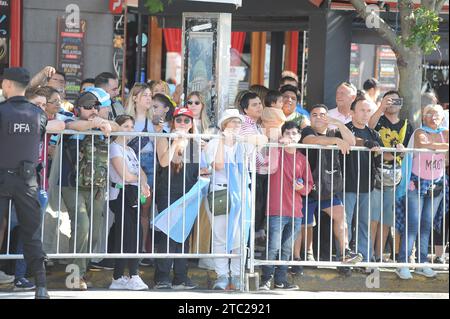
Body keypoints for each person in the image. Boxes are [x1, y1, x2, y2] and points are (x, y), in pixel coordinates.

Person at [61, 91, 120, 290]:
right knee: (82, 227)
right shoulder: (68, 117)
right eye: (87, 106)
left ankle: (81, 271)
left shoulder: (104, 123)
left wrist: (104, 123)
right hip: (71, 183)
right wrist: (96, 123)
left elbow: (119, 127)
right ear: (78, 108)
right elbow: (70, 126)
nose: (92, 110)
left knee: (93, 232)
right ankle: (73, 277)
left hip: (96, 185)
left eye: (95, 106)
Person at [0, 67, 49, 299]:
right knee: (31, 234)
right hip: (28, 180)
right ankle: (41, 286)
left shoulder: (1, 111)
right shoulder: (39, 114)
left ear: (8, 85)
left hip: (1, 177)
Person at [296, 104, 362, 267]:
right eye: (315, 114)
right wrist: (336, 141)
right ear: (310, 118)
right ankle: (306, 254)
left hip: (328, 186)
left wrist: (338, 124)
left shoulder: (334, 132)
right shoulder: (307, 131)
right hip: (307, 186)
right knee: (306, 223)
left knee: (340, 215)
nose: (318, 117)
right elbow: (312, 140)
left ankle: (345, 251)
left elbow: (351, 141)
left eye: (322, 114)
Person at [259, 121, 313, 291]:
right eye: (287, 133)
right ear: (282, 136)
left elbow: (309, 185)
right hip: (276, 209)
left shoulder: (302, 159)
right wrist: (276, 144)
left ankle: (280, 281)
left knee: (286, 248)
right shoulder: (276, 152)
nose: (291, 136)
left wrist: (302, 188)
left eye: (294, 133)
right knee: (273, 246)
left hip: (296, 211)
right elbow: (264, 164)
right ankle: (265, 280)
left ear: (300, 137)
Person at [396, 104, 448, 280]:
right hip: (416, 184)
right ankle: (403, 263)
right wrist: (441, 146)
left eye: (437, 114)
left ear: (442, 118)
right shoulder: (419, 131)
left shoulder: (445, 132)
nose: (434, 117)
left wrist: (438, 146)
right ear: (424, 117)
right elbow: (424, 143)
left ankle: (421, 262)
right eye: (430, 114)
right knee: (412, 225)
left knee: (426, 225)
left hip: (437, 184)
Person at [153, 107, 201, 289]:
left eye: (186, 120)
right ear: (173, 122)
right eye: (179, 120)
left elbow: (194, 170)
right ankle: (162, 276)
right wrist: (176, 142)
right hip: (168, 192)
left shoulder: (194, 143)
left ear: (191, 124)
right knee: (167, 235)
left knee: (183, 235)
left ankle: (181, 276)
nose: (182, 123)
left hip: (188, 193)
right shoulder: (164, 138)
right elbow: (165, 162)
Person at [368, 90, 413, 262]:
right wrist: (380, 108)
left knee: (386, 218)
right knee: (373, 217)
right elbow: (369, 128)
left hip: (396, 177)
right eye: (389, 100)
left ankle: (379, 255)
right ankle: (368, 253)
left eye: (396, 100)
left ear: (401, 103)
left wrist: (392, 155)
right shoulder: (378, 119)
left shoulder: (407, 125)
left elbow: (404, 152)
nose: (392, 103)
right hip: (375, 174)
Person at [206, 109, 248, 290]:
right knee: (220, 237)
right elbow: (218, 165)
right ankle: (222, 276)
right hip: (220, 193)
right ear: (224, 125)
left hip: (241, 194)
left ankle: (237, 276)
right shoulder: (215, 143)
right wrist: (223, 141)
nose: (237, 126)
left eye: (239, 122)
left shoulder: (244, 143)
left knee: (240, 237)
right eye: (233, 122)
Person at [108, 115, 150, 290]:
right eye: (125, 126)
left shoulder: (130, 150)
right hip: (121, 194)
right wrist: (139, 179)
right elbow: (125, 176)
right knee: (128, 235)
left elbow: (141, 173)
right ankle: (129, 274)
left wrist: (143, 182)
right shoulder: (114, 148)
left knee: (134, 234)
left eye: (131, 126)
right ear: (117, 127)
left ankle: (123, 276)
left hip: (132, 193)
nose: (129, 129)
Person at [344, 96, 387, 262]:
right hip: (346, 185)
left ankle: (366, 259)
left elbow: (383, 157)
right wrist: (365, 143)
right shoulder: (344, 129)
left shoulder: (374, 133)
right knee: (345, 223)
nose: (365, 114)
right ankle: (344, 257)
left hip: (367, 185)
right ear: (352, 112)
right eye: (362, 110)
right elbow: (350, 141)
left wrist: (399, 150)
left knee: (364, 224)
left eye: (369, 110)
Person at [124, 83, 156, 265]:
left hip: (149, 164)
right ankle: (128, 249)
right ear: (135, 98)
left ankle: (142, 249)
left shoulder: (153, 122)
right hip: (129, 162)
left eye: (150, 95)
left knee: (145, 209)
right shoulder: (128, 120)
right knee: (129, 207)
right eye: (145, 95)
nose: (149, 98)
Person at [238, 92, 269, 244]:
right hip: (246, 171)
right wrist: (265, 161)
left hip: (254, 172)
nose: (259, 107)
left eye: (259, 103)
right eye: (254, 104)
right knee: (250, 212)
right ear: (245, 109)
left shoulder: (255, 125)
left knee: (255, 211)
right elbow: (251, 148)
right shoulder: (244, 122)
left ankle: (248, 249)